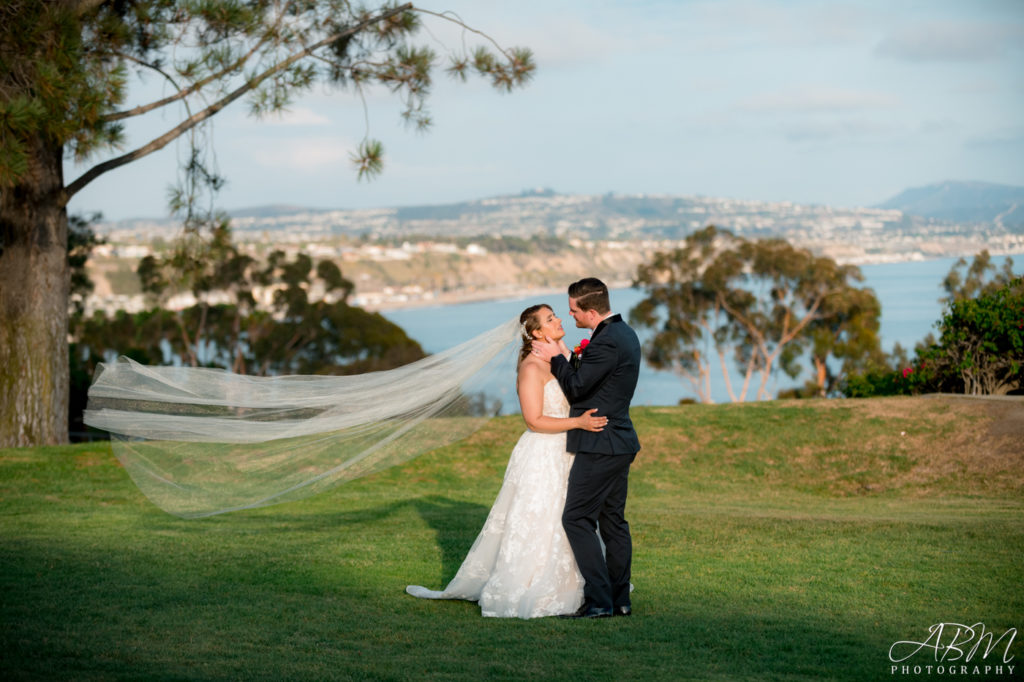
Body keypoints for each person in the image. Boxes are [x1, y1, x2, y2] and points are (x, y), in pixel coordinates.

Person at [405, 304, 607, 619]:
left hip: (568, 453)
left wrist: (565, 351)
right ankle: (529, 586)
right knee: (542, 518)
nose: (559, 320)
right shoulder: (531, 368)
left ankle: (581, 584)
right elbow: (534, 420)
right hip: (543, 454)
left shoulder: (561, 358)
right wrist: (578, 423)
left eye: (556, 315)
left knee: (571, 519)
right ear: (537, 332)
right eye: (551, 318)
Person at [532, 277, 642, 619]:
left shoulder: (606, 341)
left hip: (601, 443)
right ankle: (619, 600)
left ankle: (598, 601)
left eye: (573, 310)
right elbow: (595, 379)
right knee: (612, 523)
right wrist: (567, 354)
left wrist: (555, 358)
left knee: (576, 518)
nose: (570, 315)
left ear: (591, 311)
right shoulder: (623, 333)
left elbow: (578, 389)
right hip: (619, 440)